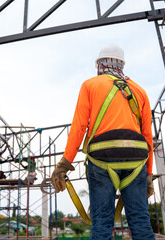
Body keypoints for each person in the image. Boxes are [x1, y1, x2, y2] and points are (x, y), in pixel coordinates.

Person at [51, 45, 155, 239]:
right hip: (137, 161)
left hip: (102, 161)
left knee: (102, 222)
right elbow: (148, 137)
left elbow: (79, 126)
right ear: (122, 65)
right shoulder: (140, 91)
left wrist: (64, 163)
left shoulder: (90, 85)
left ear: (99, 64)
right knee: (140, 220)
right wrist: (148, 174)